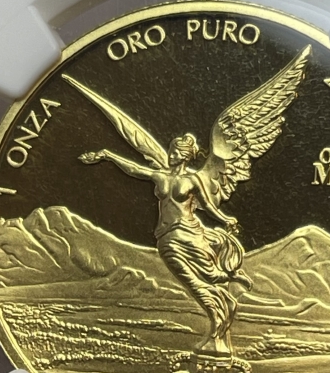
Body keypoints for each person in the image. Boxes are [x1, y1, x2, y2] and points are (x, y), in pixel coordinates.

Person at [81, 133, 252, 356]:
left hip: (188, 233)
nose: (171, 155)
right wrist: (108, 155)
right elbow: (134, 169)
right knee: (192, 279)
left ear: (185, 156)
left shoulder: (193, 180)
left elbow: (208, 206)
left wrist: (225, 219)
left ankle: (219, 318)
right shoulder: (160, 176)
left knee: (201, 278)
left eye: (176, 152)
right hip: (166, 236)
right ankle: (225, 295)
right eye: (171, 151)